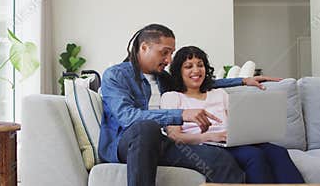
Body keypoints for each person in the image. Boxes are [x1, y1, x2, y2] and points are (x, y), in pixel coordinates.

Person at [98, 24, 277, 186]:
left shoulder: (162, 78)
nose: (169, 60)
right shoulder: (115, 75)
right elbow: (127, 117)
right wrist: (181, 114)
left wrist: (244, 81)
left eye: (171, 53)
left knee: (220, 158)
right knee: (147, 128)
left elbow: (197, 82)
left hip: (163, 143)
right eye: (164, 52)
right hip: (129, 143)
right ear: (144, 47)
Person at [160, 46, 304, 183]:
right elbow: (175, 136)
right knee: (254, 156)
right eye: (188, 66)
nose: (196, 70)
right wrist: (209, 136)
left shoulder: (219, 94)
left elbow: (236, 123)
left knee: (278, 152)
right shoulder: (172, 97)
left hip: (231, 141)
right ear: (179, 72)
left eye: (200, 65)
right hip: (206, 144)